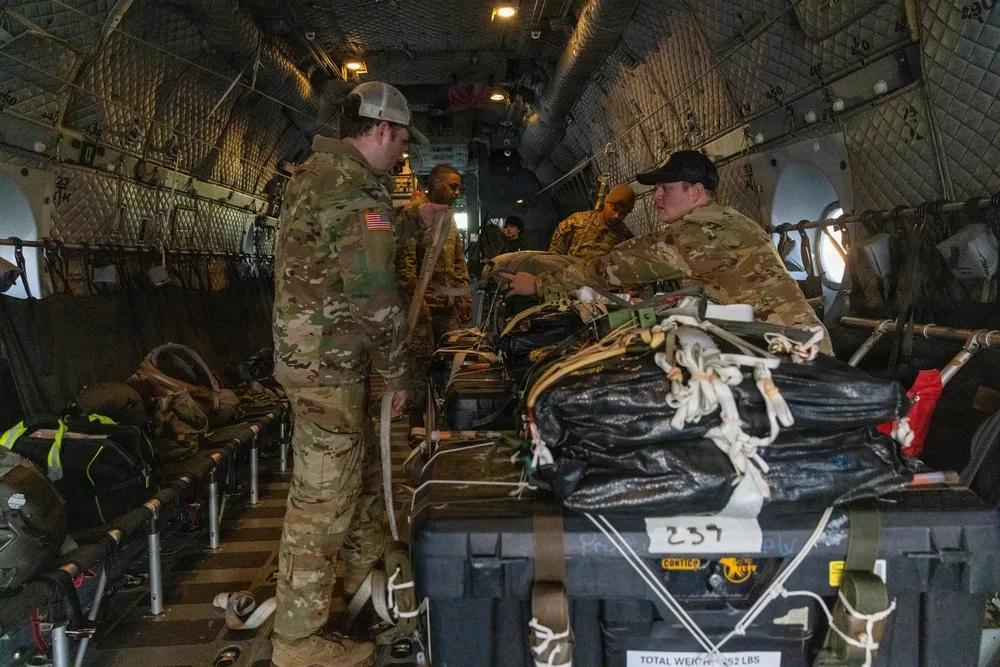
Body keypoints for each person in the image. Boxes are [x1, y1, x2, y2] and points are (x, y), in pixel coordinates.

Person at [270, 80, 427, 667]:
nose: (403, 154)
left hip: (319, 362)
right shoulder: (353, 187)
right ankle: (297, 640)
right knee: (322, 502)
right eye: (402, 140)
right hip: (330, 368)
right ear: (381, 128)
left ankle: (367, 586)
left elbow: (343, 255)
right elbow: (374, 295)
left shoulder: (317, 176)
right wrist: (398, 373)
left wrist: (412, 218)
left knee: (354, 483)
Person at [502, 151, 831, 352]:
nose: (656, 196)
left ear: (696, 192)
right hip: (787, 344)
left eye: (665, 188)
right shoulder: (726, 220)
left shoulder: (699, 233)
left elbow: (615, 266)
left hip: (789, 353)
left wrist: (539, 284)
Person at [396, 164, 472, 343]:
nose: (457, 193)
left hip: (448, 306)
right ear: (437, 184)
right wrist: (417, 303)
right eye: (453, 187)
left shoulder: (448, 217)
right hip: (423, 307)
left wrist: (464, 297)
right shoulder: (413, 214)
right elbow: (405, 265)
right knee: (421, 356)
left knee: (451, 354)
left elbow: (458, 260)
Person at [547, 183, 636, 261]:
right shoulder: (577, 220)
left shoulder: (625, 238)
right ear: (606, 201)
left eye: (623, 213)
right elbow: (554, 255)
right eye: (614, 209)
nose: (617, 216)